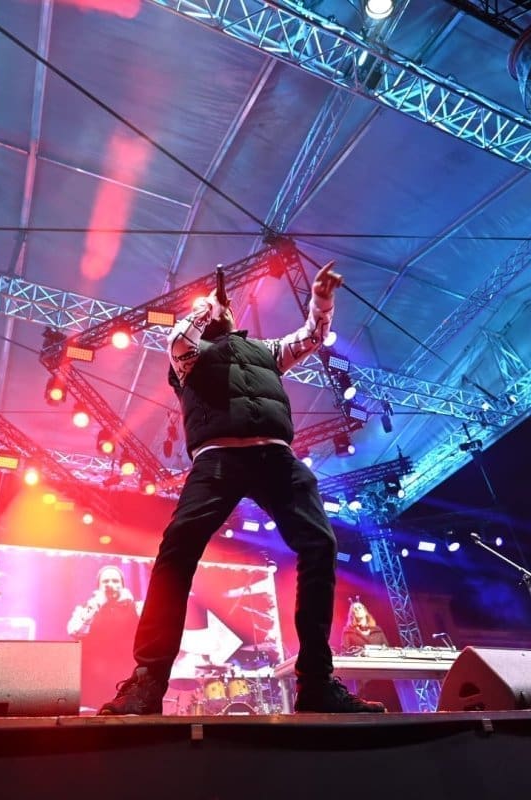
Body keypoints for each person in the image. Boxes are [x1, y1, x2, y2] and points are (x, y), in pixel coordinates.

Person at [98, 260, 385, 715]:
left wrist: (321, 302)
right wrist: (204, 309)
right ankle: (148, 681)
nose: (224, 309)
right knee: (177, 549)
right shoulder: (189, 355)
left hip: (277, 458)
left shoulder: (265, 350)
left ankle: (316, 681)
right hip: (217, 459)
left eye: (224, 307)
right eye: (218, 308)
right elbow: (178, 340)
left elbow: (310, 338)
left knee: (320, 545)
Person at [68, 564, 142, 711]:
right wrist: (94, 608)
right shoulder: (87, 608)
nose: (110, 585)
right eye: (106, 581)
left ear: (122, 585)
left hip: (125, 675)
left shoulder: (137, 606)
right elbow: (75, 631)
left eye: (115, 581)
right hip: (94, 677)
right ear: (98, 586)